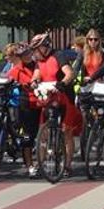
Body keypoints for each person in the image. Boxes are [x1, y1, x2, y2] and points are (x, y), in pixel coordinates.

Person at [28, 32, 82, 177]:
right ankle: (41, 162)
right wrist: (33, 82)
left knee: (66, 131)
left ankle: (68, 165)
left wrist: (62, 83)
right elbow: (37, 74)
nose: (34, 53)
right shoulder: (39, 60)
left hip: (65, 97)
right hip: (49, 98)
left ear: (44, 47)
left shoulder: (58, 55)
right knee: (43, 131)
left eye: (36, 49)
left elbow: (69, 73)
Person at [5, 43, 40, 175]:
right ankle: (29, 164)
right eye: (22, 55)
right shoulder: (17, 69)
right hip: (26, 104)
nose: (25, 57)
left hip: (41, 102)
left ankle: (45, 158)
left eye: (27, 54)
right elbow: (7, 80)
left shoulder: (38, 66)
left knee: (42, 133)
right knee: (27, 136)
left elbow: (43, 76)